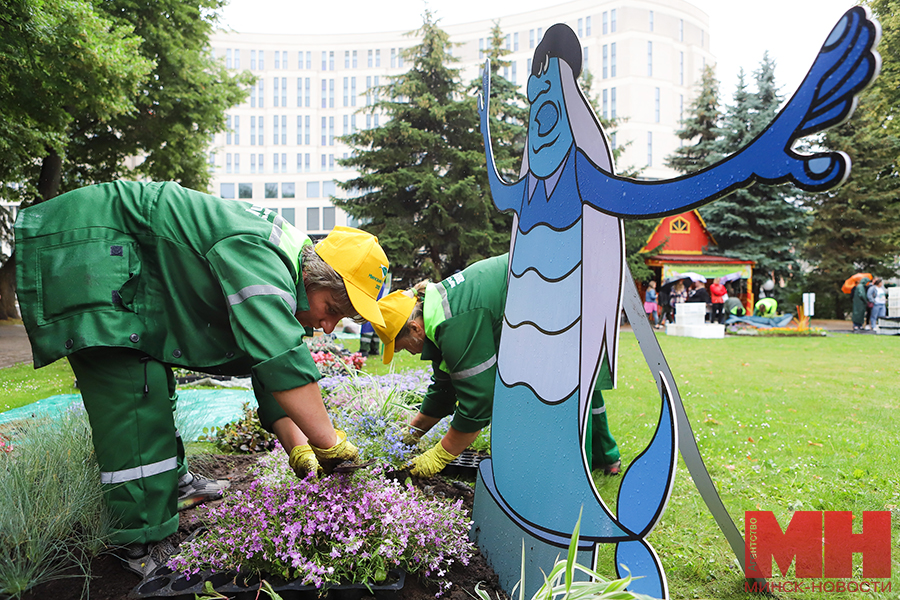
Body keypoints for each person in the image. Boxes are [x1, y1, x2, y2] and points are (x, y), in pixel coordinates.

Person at [14, 181, 383, 576]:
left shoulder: (287, 260)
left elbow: (268, 367)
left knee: (152, 384)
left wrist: (300, 449)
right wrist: (328, 443)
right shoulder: (260, 260)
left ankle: (173, 486)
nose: (328, 327)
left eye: (339, 320)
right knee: (133, 397)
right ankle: (140, 544)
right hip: (93, 250)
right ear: (313, 278)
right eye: (330, 309)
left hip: (120, 254)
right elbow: (281, 360)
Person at [371, 254, 622, 478]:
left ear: (415, 329)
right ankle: (606, 458)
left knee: (571, 383)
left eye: (403, 346)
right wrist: (411, 434)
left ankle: (575, 477)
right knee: (583, 379)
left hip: (567, 293)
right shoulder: (438, 309)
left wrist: (437, 457)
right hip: (559, 283)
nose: (409, 353)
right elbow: (444, 390)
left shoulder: (454, 321)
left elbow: (479, 403)